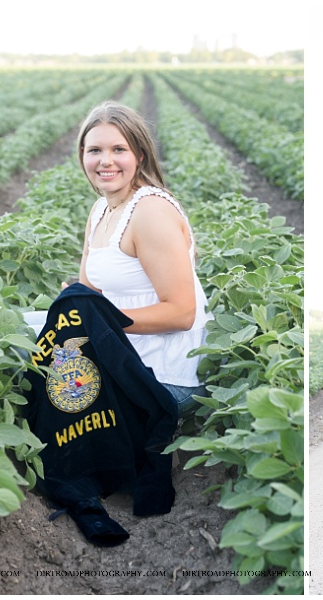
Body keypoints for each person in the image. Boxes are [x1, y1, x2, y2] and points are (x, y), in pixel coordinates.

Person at [72, 100, 211, 417]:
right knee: (23, 338)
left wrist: (102, 322)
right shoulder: (100, 211)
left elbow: (182, 313)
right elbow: (89, 292)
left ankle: (150, 453)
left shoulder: (150, 211)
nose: (106, 161)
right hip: (125, 356)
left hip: (166, 375)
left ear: (140, 155)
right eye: (94, 150)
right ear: (82, 156)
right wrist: (73, 307)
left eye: (119, 149)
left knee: (61, 400)